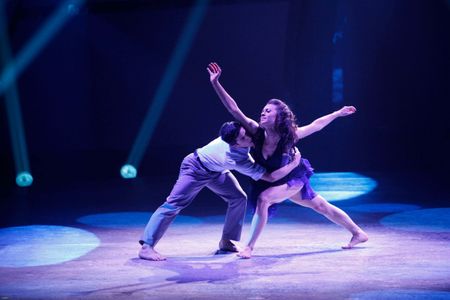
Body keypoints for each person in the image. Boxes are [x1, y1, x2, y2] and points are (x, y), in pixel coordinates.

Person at [207, 62, 368, 259]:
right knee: (320, 206)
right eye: (263, 110)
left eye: (268, 111)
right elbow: (234, 109)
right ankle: (358, 233)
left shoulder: (290, 136)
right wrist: (216, 83)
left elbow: (316, 125)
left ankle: (249, 247)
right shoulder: (255, 132)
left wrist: (337, 113)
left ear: (279, 117)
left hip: (292, 178)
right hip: (273, 180)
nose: (263, 113)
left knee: (264, 199)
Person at [138, 121, 302, 261]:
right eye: (244, 139)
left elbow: (234, 109)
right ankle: (147, 246)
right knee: (174, 203)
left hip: (217, 171)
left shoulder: (242, 133)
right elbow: (270, 177)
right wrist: (293, 165)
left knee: (239, 198)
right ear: (235, 144)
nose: (249, 138)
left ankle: (228, 241)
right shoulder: (236, 158)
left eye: (247, 134)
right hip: (195, 168)